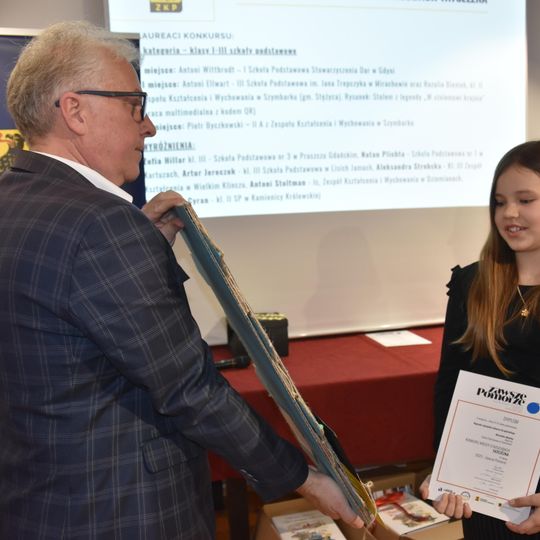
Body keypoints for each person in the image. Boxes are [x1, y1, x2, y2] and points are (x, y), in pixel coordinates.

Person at [0, 21, 364, 539]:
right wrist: (303, 477)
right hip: (122, 513)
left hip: (41, 505)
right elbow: (189, 389)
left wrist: (140, 245)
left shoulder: (16, 201)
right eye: (135, 106)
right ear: (75, 111)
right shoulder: (102, 226)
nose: (149, 127)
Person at [419, 141, 540, 538]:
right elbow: (449, 384)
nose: (509, 213)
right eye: (500, 202)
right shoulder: (472, 283)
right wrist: (446, 470)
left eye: (526, 200)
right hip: (485, 495)